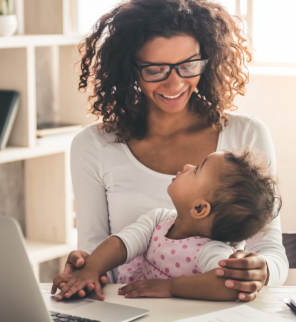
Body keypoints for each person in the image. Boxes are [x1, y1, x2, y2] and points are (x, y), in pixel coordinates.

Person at [61, 0, 289, 302]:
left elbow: (270, 251)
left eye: (188, 65)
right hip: (129, 310)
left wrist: (261, 271)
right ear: (130, 68)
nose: (175, 83)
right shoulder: (93, 145)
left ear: (207, 58)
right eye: (155, 69)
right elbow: (96, 249)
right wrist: (87, 268)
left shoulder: (246, 134)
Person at [53, 150, 281, 301]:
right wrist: (91, 268)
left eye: (196, 170)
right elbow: (123, 244)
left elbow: (228, 284)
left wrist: (171, 287)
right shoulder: (159, 220)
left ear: (200, 209)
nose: (187, 165)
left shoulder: (211, 250)